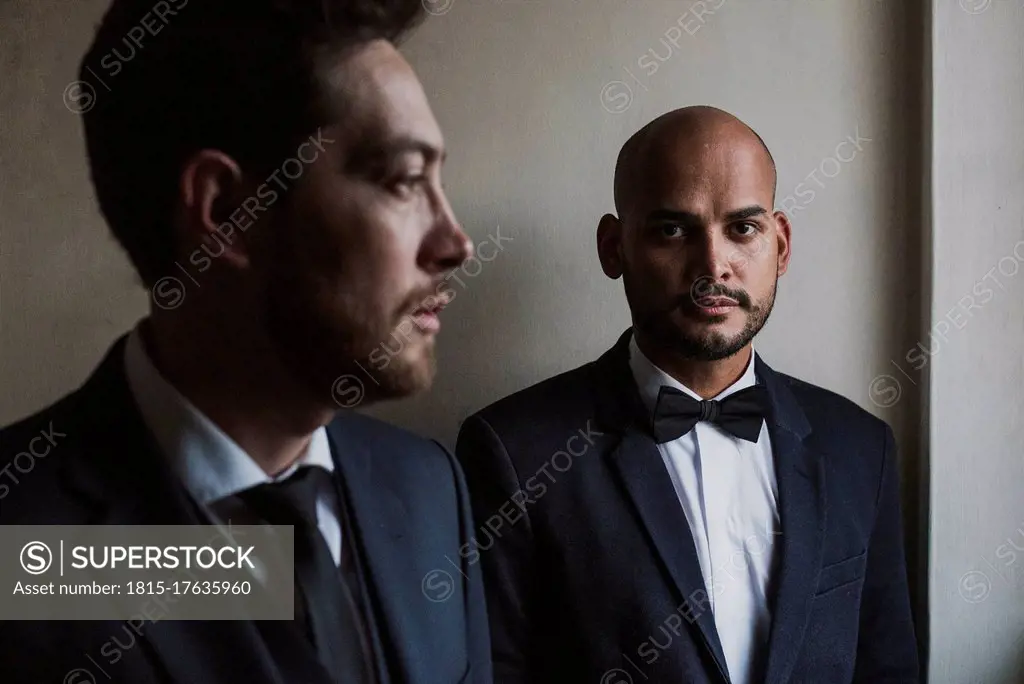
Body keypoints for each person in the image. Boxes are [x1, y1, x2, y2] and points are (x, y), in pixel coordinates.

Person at [0, 1, 490, 683]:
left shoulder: (432, 489)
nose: (456, 242)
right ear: (226, 211)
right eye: (404, 181)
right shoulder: (20, 540)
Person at [455, 106, 919, 684]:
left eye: (742, 229)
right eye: (673, 230)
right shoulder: (513, 452)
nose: (712, 266)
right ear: (613, 247)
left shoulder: (860, 449)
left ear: (781, 245)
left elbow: (889, 670)